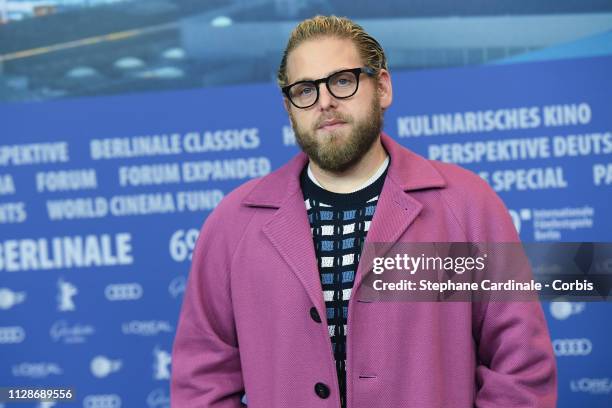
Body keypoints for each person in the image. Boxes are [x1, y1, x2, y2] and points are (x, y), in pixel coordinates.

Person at [171, 15, 557, 408]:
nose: (325, 102)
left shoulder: (468, 206)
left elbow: (521, 366)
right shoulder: (233, 225)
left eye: (342, 80)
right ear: (289, 108)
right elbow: (201, 379)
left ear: (383, 87)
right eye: (305, 89)